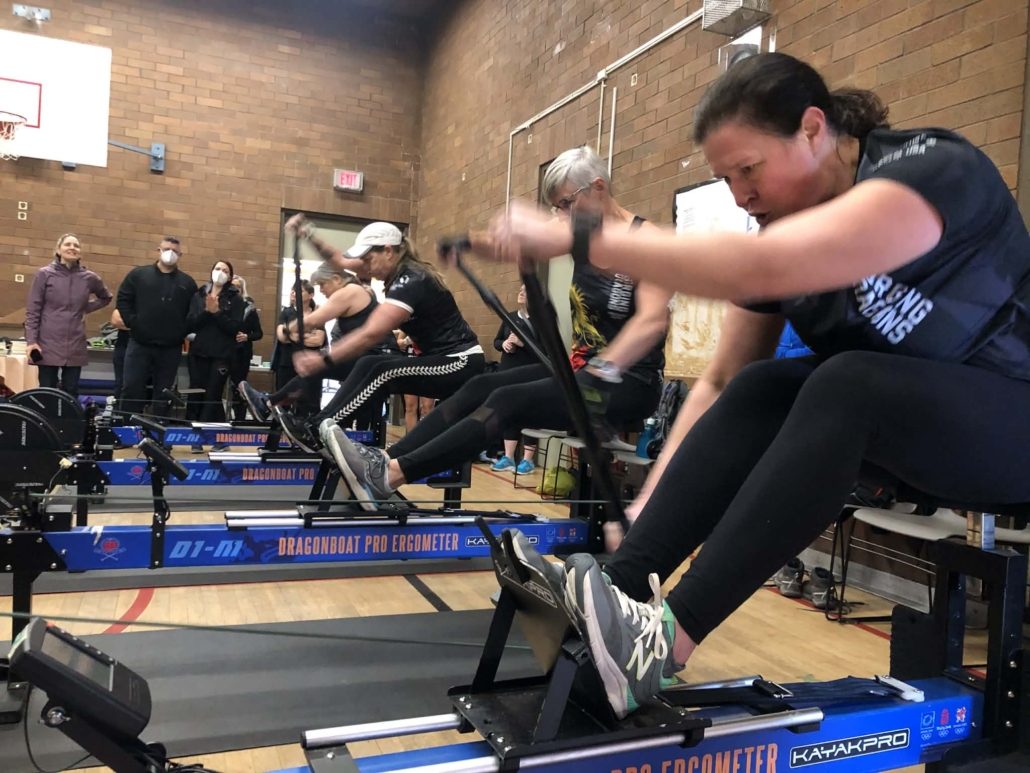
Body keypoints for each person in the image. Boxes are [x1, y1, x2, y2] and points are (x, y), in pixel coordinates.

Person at [472, 52, 1030, 720]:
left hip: (1011, 424)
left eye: (749, 170)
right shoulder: (782, 228)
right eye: (724, 179)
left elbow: (761, 267)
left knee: (846, 381)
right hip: (919, 440)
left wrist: (580, 238)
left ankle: (665, 641)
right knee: (767, 385)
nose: (740, 195)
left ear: (813, 129)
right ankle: (619, 595)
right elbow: (720, 382)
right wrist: (651, 500)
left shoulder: (931, 170)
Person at [328, 145, 671, 512]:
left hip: (631, 381)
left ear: (598, 188)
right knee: (481, 386)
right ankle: (383, 461)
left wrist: (604, 368)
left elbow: (652, 320)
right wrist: (467, 243)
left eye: (566, 203)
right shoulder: (579, 230)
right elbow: (512, 244)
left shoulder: (646, 241)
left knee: (508, 401)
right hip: (583, 372)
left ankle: (390, 476)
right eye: (556, 207)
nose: (561, 216)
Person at [240, 218, 486, 463]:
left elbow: (371, 333)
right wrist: (309, 234)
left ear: (388, 251)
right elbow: (340, 261)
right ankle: (295, 416)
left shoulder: (411, 280)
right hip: (439, 359)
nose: (365, 268)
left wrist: (324, 358)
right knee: (368, 363)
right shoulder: (393, 271)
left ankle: (317, 429)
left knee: (381, 369)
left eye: (368, 259)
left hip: (460, 361)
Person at [242, 261, 398, 432]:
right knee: (315, 368)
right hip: (367, 357)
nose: (321, 290)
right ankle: (269, 405)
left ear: (336, 279)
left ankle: (302, 420)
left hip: (380, 358)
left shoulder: (351, 291)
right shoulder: (352, 293)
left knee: (319, 367)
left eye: (322, 284)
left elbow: (313, 320)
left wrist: (287, 330)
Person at [117, 237, 198, 417]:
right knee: (131, 387)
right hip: (139, 343)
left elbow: (193, 313)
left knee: (164, 393)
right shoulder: (138, 275)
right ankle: (126, 427)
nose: (170, 253)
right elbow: (123, 300)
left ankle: (159, 429)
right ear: (158, 250)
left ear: (180, 255)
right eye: (166, 249)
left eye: (174, 251)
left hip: (170, 348)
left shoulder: (187, 283)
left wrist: (181, 332)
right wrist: (133, 322)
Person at [24, 234, 113, 397]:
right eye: (67, 244)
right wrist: (31, 341)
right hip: (47, 342)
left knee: (71, 391)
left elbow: (106, 297)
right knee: (47, 389)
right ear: (58, 250)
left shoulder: (89, 277)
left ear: (80, 252)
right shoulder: (44, 274)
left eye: (76, 245)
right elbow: (33, 310)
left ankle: (67, 415)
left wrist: (84, 308)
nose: (72, 248)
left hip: (75, 342)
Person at [184, 261, 244, 444]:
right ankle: (197, 433)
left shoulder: (236, 299)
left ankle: (206, 435)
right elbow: (191, 323)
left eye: (225, 271)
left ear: (230, 276)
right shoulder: (199, 295)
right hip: (199, 352)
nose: (220, 273)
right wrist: (206, 312)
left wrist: (217, 312)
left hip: (222, 355)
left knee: (213, 393)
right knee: (196, 392)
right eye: (218, 269)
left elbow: (234, 328)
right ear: (211, 271)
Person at [490, 284, 541, 473]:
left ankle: (527, 460)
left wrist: (523, 343)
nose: (521, 293)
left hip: (530, 374)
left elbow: (546, 350)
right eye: (520, 289)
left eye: (525, 290)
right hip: (508, 371)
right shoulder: (510, 317)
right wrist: (504, 344)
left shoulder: (542, 320)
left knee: (530, 414)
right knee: (509, 412)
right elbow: (496, 341)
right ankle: (508, 457)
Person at [271, 281, 325, 416]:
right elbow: (281, 337)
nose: (294, 293)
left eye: (299, 291)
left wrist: (293, 334)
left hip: (309, 365)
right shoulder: (286, 313)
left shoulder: (317, 315)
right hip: (287, 363)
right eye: (293, 290)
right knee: (283, 402)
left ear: (311, 295)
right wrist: (308, 334)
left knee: (308, 403)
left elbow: (318, 340)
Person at [228, 275, 264, 422]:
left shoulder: (249, 308)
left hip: (242, 353)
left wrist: (247, 337)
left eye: (238, 286)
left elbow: (259, 333)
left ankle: (239, 418)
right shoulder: (224, 305)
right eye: (233, 286)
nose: (236, 289)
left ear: (242, 289)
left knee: (239, 387)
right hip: (225, 352)